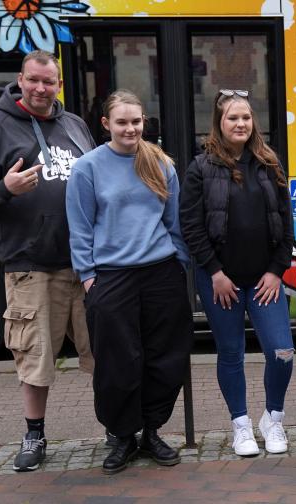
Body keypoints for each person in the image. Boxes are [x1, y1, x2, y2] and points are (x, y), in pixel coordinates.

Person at [0, 50, 95, 473]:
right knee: (35, 358)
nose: (40, 88)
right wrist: (5, 187)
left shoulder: (75, 125)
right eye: (33, 80)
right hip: (30, 264)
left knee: (106, 354)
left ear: (59, 84)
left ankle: (118, 429)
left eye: (49, 81)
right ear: (20, 79)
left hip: (88, 265)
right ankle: (34, 434)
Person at [66, 90, 193, 474]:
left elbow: (174, 222)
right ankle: (122, 435)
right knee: (117, 362)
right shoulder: (87, 168)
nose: (130, 129)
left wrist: (179, 265)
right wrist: (89, 279)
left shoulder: (159, 163)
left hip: (160, 274)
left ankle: (152, 432)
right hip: (112, 277)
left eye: (136, 122)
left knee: (164, 357)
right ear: (106, 124)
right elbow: (80, 228)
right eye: (122, 122)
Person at [179, 89, 295, 457]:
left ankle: (272, 418)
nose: (241, 123)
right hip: (221, 281)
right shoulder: (201, 168)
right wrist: (214, 271)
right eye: (233, 118)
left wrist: (277, 271)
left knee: (282, 350)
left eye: (246, 117)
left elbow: (286, 222)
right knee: (231, 352)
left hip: (266, 279)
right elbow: (191, 225)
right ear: (219, 123)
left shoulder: (269, 163)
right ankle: (240, 426)